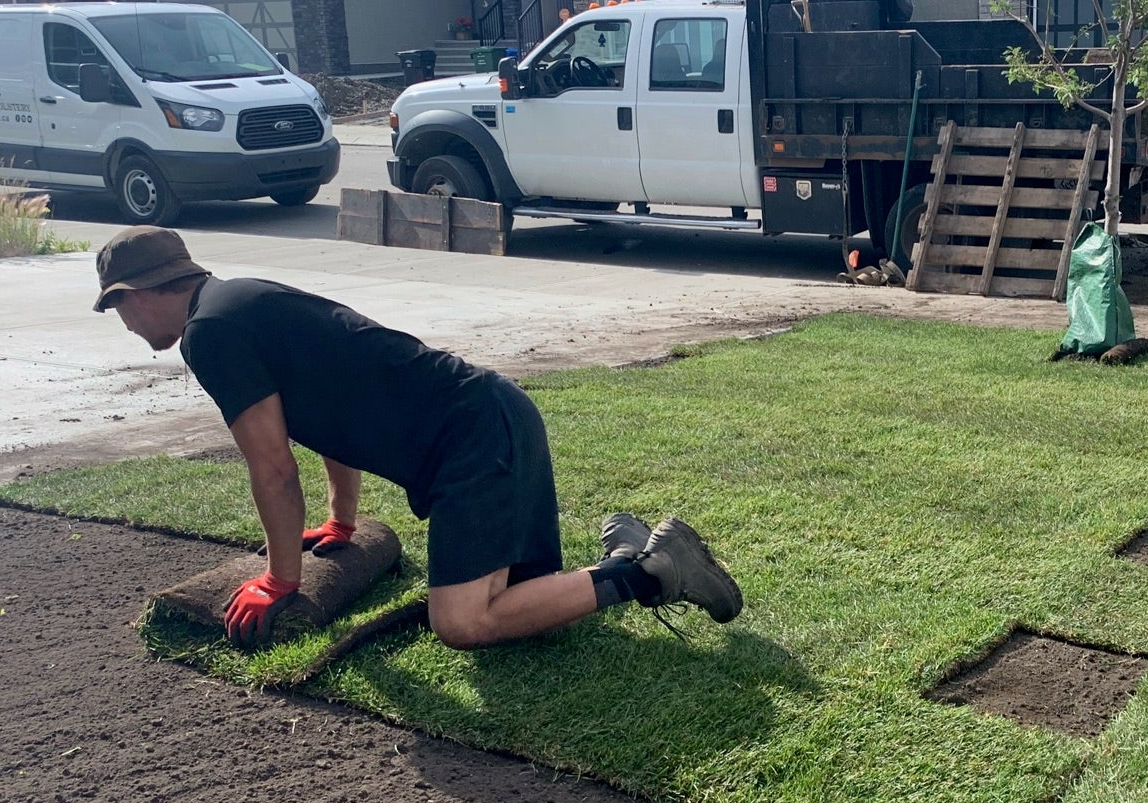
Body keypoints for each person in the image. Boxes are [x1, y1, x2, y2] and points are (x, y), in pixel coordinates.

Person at [93, 227, 742, 648]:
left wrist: (282, 580)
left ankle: (653, 570)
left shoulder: (213, 333)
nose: (121, 322)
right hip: (491, 422)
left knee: (464, 624)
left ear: (137, 293)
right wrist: (341, 523)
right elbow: (325, 412)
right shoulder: (238, 301)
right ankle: (626, 550)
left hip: (477, 440)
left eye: (115, 307)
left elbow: (272, 470)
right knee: (524, 610)